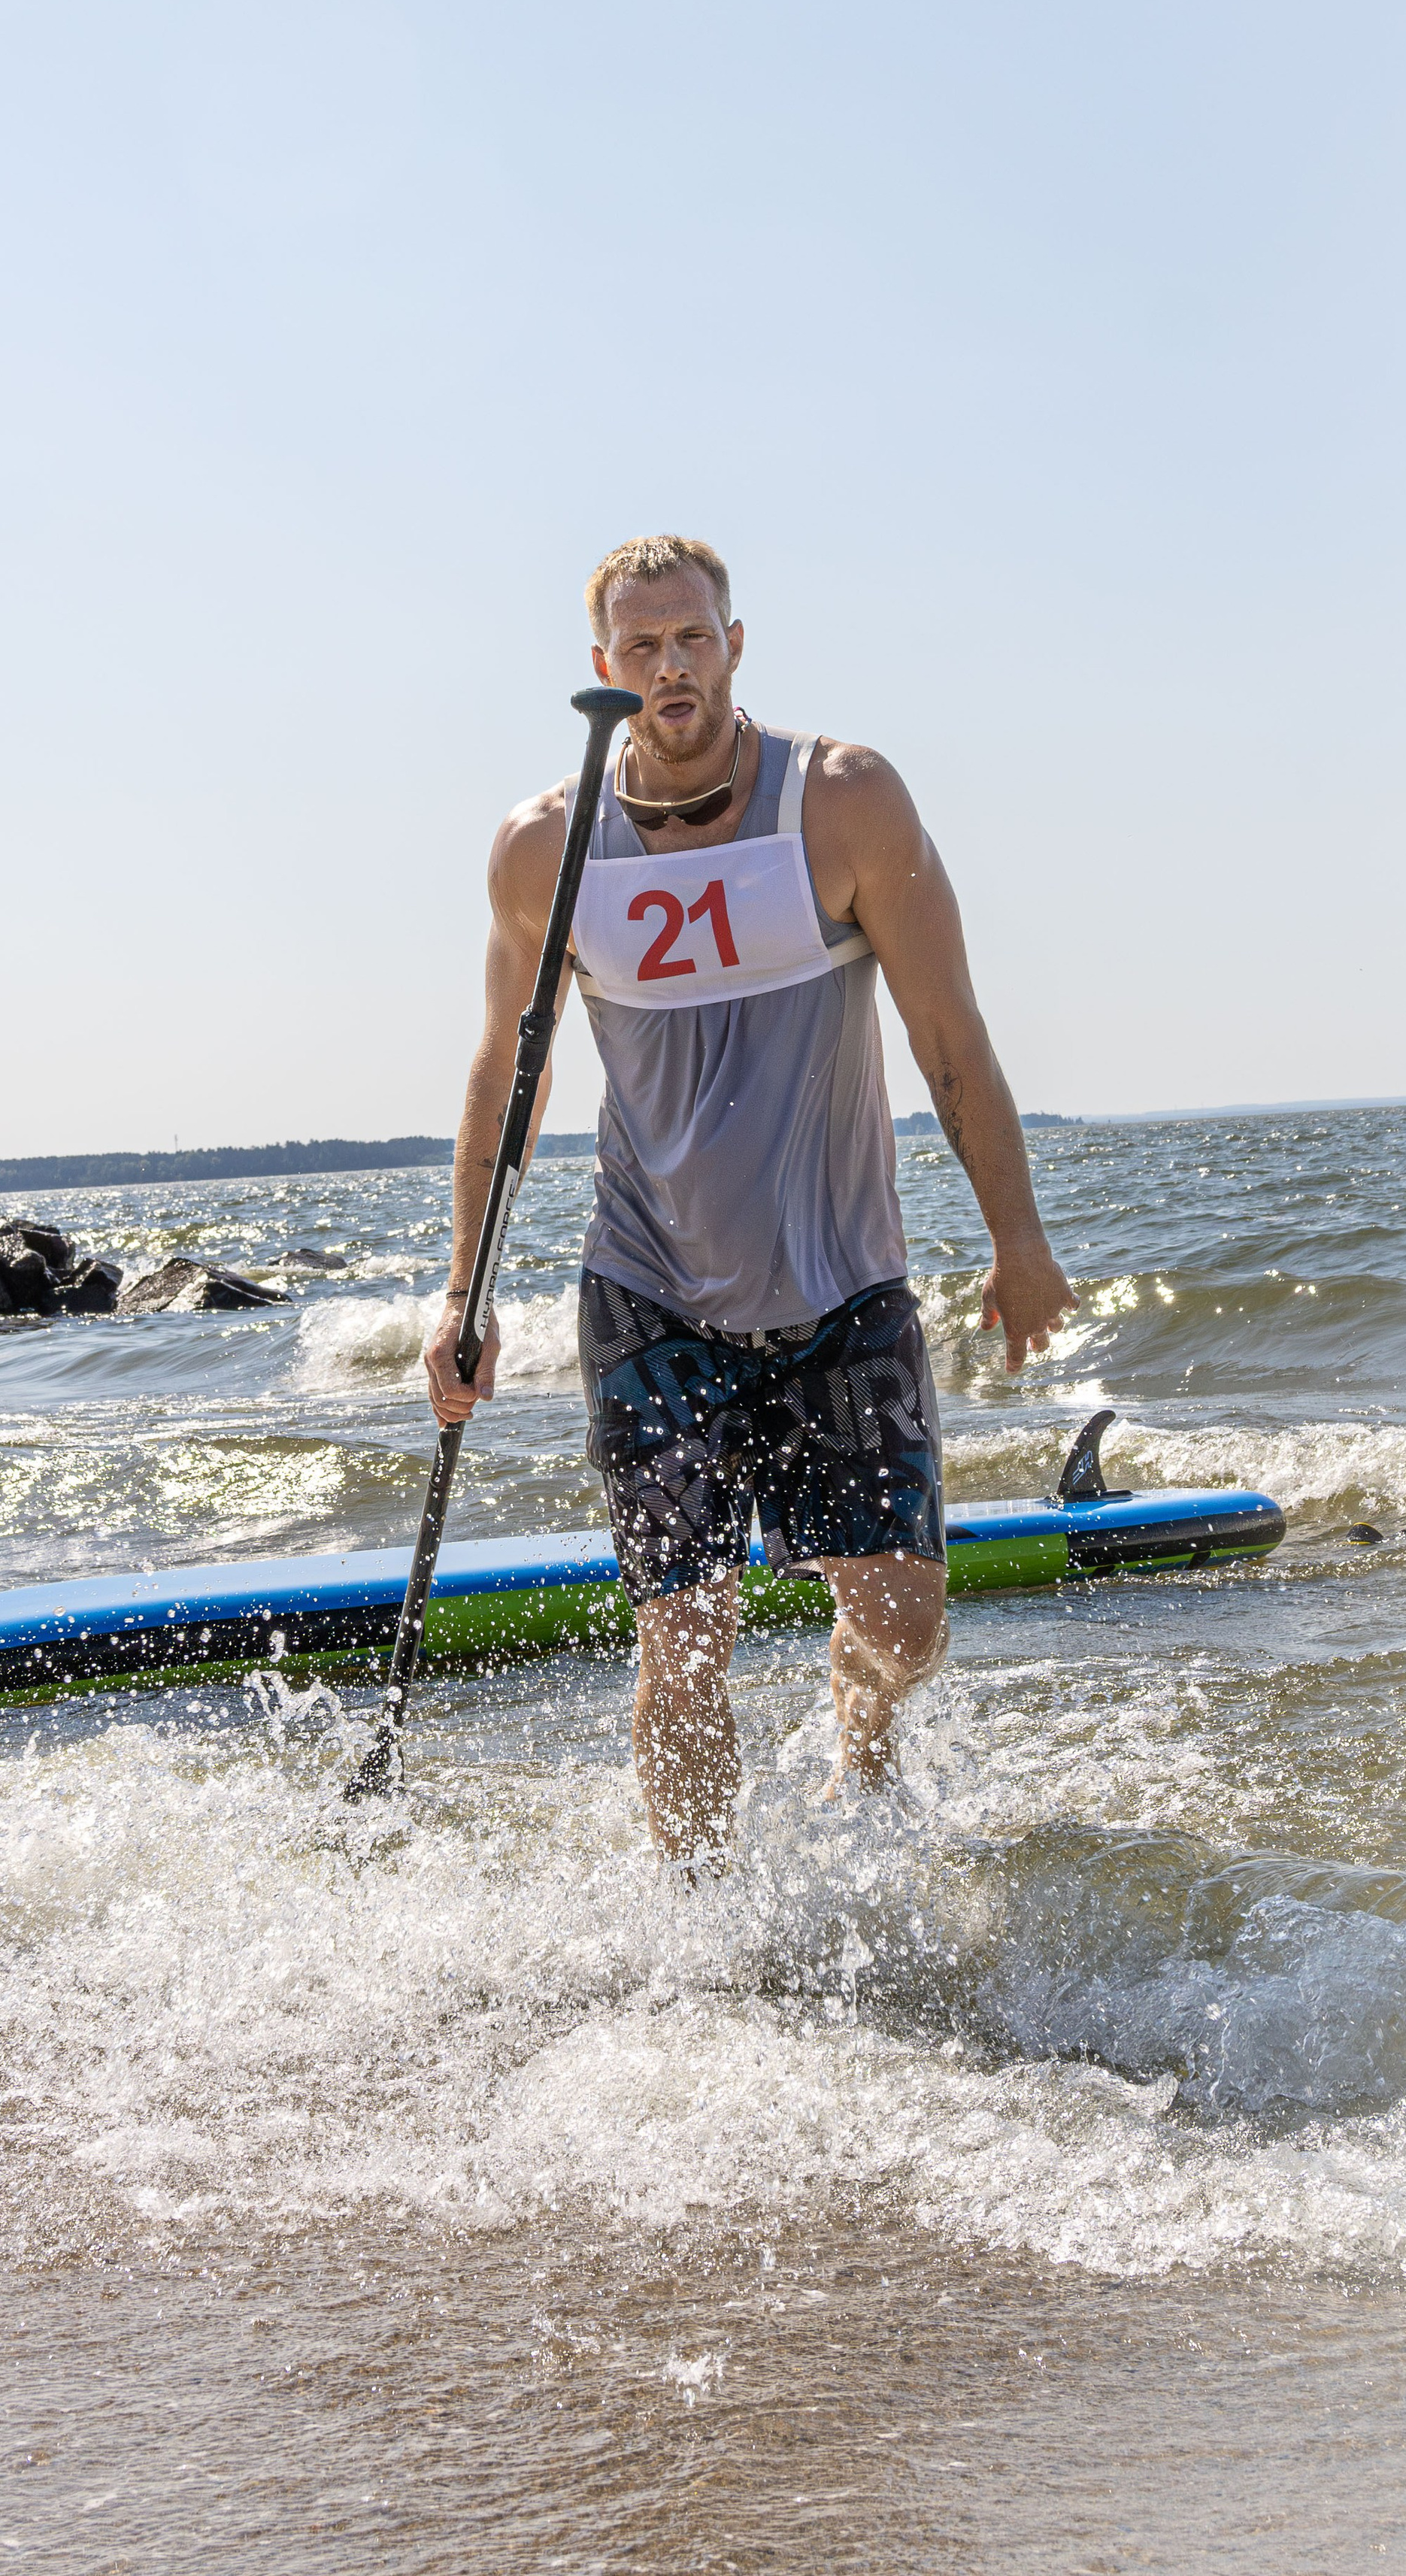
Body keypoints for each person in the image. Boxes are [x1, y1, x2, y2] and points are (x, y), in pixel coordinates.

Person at [424, 533, 1075, 1856]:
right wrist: (460, 1295)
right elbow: (507, 1079)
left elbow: (949, 1032)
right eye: (643, 647)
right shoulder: (547, 851)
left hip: (840, 1283)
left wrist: (1019, 1238)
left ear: (735, 643)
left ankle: (862, 1724)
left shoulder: (841, 803)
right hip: (652, 1285)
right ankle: (701, 1928)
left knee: (903, 1627)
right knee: (684, 1633)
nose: (671, 667)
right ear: (603, 667)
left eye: (695, 638)